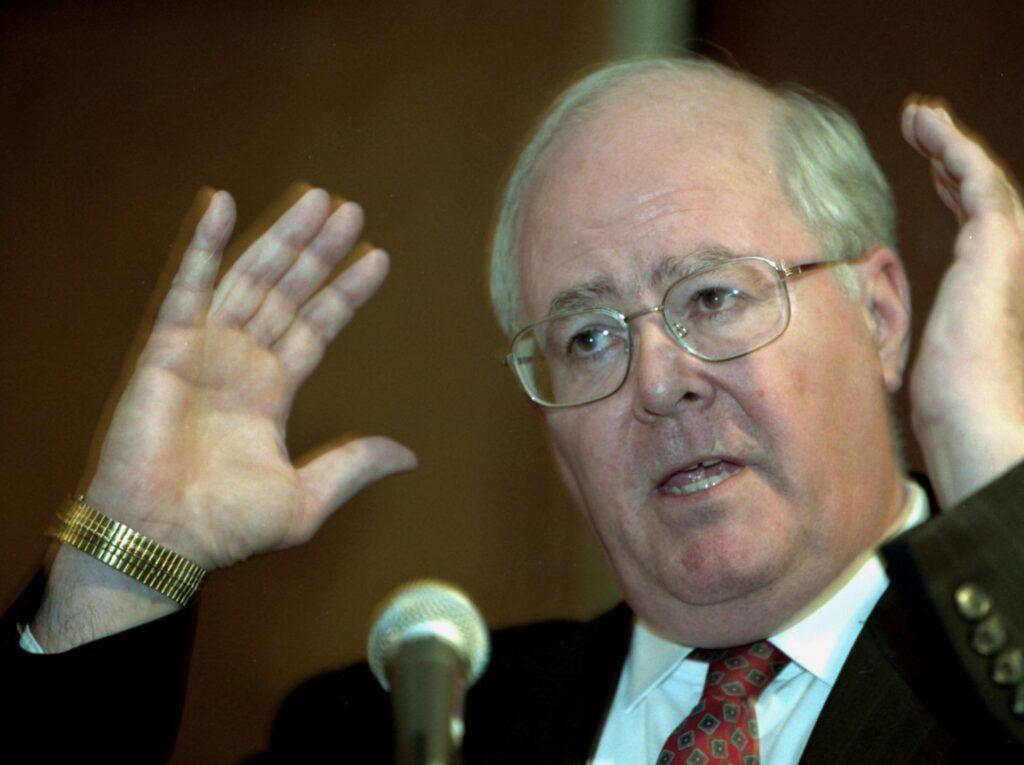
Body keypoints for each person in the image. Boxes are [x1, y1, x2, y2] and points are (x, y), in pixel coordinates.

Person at [4, 57, 1023, 763]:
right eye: (589, 338)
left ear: (880, 313)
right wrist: (126, 554)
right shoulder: (399, 731)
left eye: (713, 296)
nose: (659, 381)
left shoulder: (998, 683)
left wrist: (1004, 501)